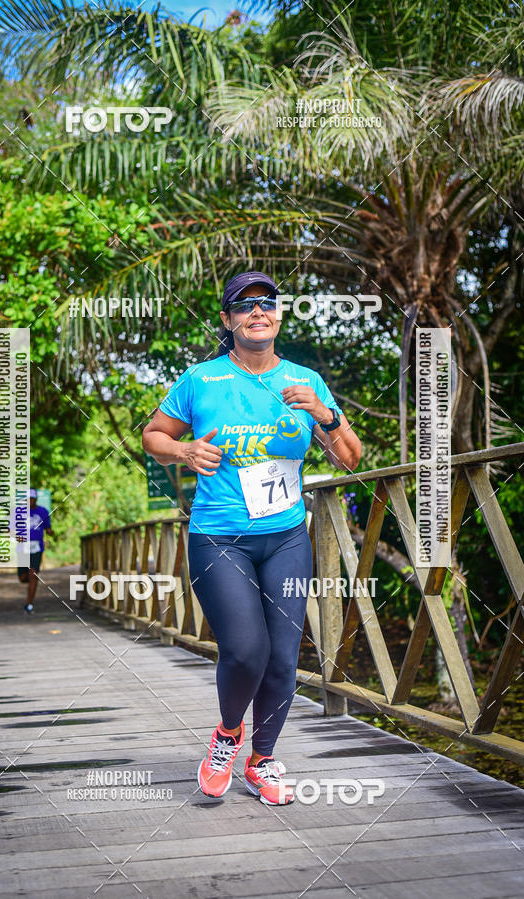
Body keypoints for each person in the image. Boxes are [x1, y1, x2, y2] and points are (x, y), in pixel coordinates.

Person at [142, 271, 361, 805]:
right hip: (219, 536)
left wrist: (325, 415)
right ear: (228, 320)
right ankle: (227, 736)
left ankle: (262, 761)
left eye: (267, 303)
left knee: (285, 657)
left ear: (278, 316)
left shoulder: (304, 380)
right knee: (245, 652)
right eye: (244, 305)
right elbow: (153, 436)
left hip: (286, 536)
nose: (256, 312)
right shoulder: (201, 379)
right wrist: (185, 451)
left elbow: (350, 458)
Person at [16, 488, 53, 614]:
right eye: (28, 499)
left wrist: (50, 532)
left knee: (33, 574)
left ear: (35, 499)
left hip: (36, 547)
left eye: (32, 499)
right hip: (22, 548)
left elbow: (48, 527)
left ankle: (29, 603)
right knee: (23, 577)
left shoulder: (43, 512)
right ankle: (30, 580)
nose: (30, 501)